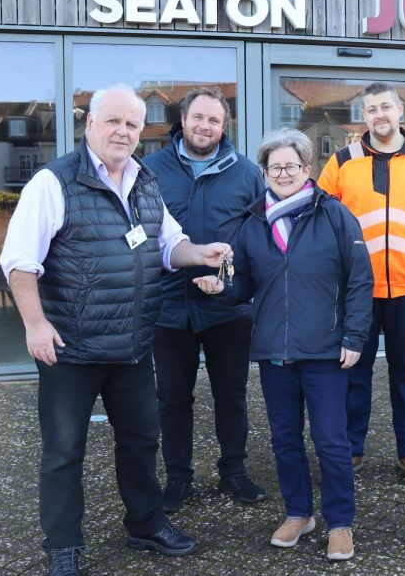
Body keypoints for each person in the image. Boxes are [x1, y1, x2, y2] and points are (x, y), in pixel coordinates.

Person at [0, 84, 233, 576]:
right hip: (71, 349)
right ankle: (63, 544)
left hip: (131, 347)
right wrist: (36, 325)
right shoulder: (54, 182)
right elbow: (19, 263)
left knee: (140, 441)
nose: (124, 132)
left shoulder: (145, 181)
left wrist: (202, 253)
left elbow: (170, 246)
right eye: (114, 121)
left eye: (132, 124)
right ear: (90, 123)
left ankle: (145, 525)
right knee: (64, 452)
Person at [196, 129, 373, 561]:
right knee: (285, 440)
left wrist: (354, 336)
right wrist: (220, 288)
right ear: (265, 173)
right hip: (275, 350)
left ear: (307, 169)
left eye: (291, 166)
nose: (283, 173)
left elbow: (360, 281)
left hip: (327, 349)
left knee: (332, 442)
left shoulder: (334, 215)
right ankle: (299, 512)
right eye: (274, 167)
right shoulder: (252, 222)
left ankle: (340, 522)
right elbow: (246, 286)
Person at [143, 88, 267, 511]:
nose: (205, 126)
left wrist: (234, 285)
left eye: (214, 120)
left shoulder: (247, 173)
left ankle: (233, 472)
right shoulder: (150, 169)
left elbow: (256, 239)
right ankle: (178, 478)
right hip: (169, 305)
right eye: (198, 118)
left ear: (224, 125)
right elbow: (140, 233)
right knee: (172, 398)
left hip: (227, 308)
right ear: (183, 119)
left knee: (230, 394)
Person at [317, 81, 405, 485]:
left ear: (401, 110)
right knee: (353, 371)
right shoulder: (342, 161)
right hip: (357, 292)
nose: (379, 115)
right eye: (371, 110)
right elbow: (319, 218)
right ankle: (351, 447)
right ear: (363, 116)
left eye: (385, 107)